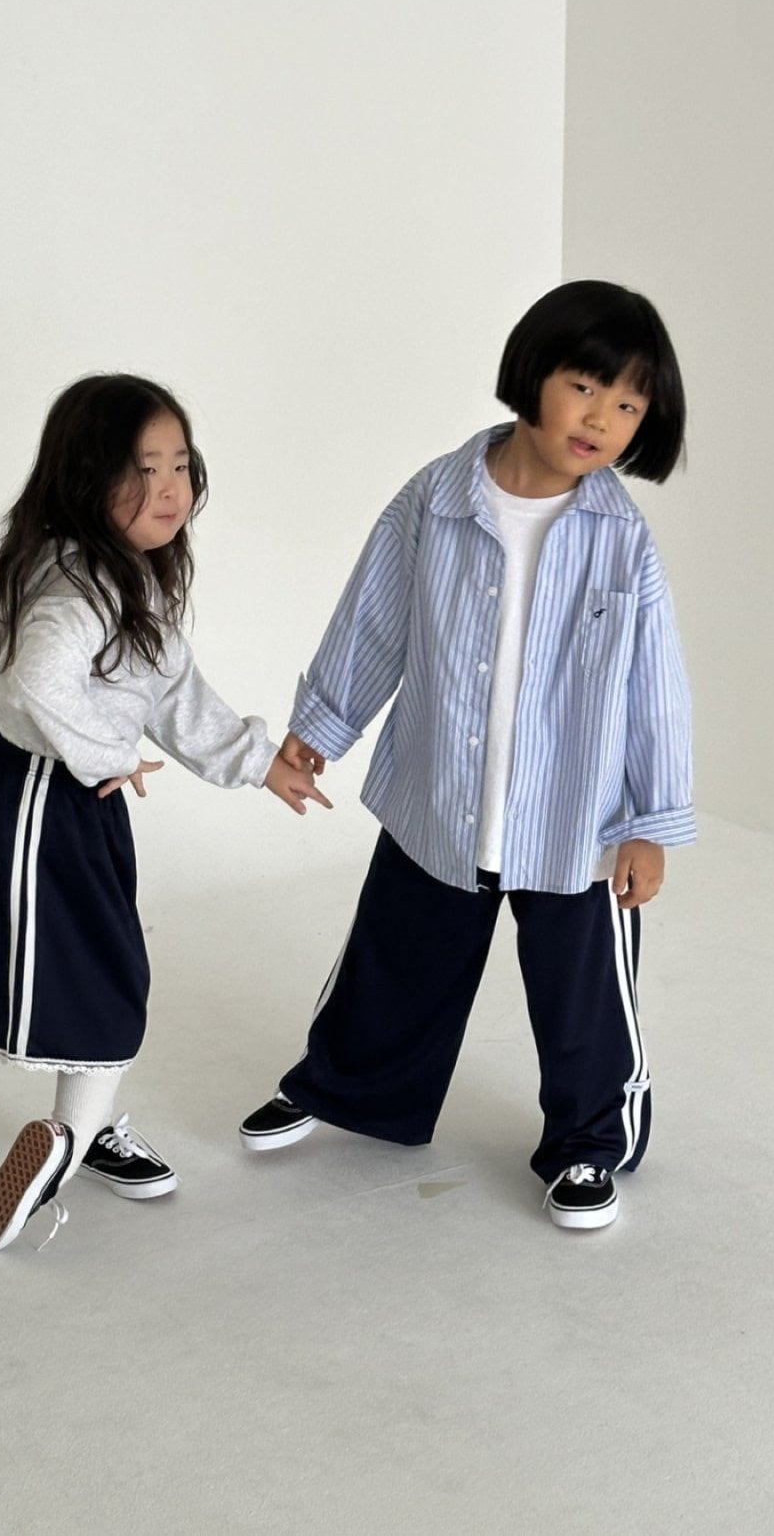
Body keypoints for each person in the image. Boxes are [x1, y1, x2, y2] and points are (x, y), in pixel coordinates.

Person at [239, 280, 692, 1231]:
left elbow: (653, 688)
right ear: (532, 374)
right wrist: (323, 723)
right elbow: (374, 618)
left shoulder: (622, 539)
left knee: (582, 1000)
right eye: (585, 388)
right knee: (395, 955)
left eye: (627, 406)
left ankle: (588, 1141)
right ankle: (348, 1088)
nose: (601, 420)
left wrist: (650, 821)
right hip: (442, 790)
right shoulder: (436, 499)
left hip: (574, 818)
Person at [0, 373, 329, 1251]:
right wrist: (107, 752)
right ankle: (65, 1148)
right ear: (86, 476)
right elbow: (36, 678)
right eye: (141, 469)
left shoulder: (121, 573)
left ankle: (92, 1120)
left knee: (95, 968)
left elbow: (173, 692)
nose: (168, 488)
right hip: (45, 795)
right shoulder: (79, 588)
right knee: (106, 976)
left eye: (179, 464)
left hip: (67, 794)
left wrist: (258, 760)